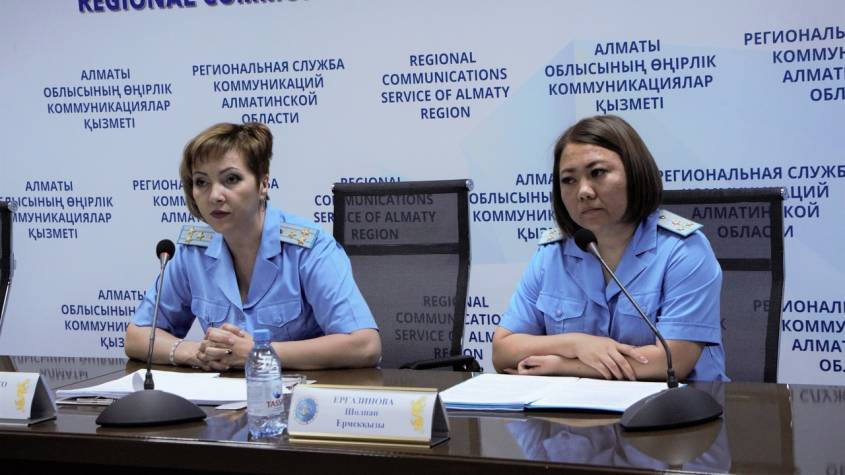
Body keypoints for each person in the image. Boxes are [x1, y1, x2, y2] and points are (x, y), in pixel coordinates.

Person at [125, 122, 381, 371]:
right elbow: (137, 336)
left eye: (231, 179)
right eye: (201, 182)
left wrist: (259, 352)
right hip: (221, 395)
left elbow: (365, 345)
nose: (214, 196)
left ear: (263, 184)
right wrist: (195, 352)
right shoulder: (193, 252)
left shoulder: (309, 248)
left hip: (297, 395)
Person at [492, 115, 727, 381]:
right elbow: (503, 350)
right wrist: (576, 344)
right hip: (576, 404)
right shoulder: (552, 254)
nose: (584, 191)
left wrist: (561, 365)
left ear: (635, 174)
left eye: (598, 173)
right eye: (568, 180)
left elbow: (672, 362)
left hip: (677, 404)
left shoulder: (683, 250)